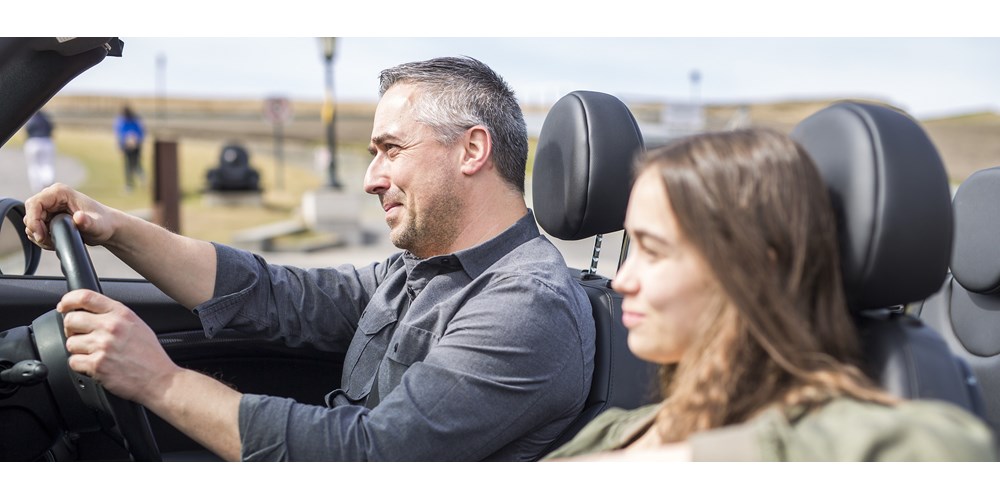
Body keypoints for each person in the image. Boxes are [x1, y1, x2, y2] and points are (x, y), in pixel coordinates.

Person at [24, 56, 595, 461]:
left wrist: (158, 381)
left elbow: (370, 458)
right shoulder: (421, 269)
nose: (372, 179)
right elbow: (276, 295)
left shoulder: (525, 306)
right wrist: (114, 227)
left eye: (390, 150)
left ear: (472, 149)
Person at [544, 129, 995, 461]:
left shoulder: (879, 441)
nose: (622, 280)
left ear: (755, 269)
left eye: (654, 250)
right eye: (632, 247)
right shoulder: (618, 430)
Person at [22, 110, 56, 193]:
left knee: (33, 166)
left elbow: (27, 130)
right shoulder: (45, 117)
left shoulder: (31, 118)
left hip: (33, 142)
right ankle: (48, 183)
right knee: (46, 164)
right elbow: (52, 128)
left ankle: (37, 187)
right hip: (47, 142)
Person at [114, 105, 145, 191]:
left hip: (136, 145)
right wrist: (120, 145)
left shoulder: (136, 119)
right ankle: (129, 184)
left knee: (136, 163)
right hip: (126, 145)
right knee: (127, 165)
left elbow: (141, 131)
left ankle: (141, 176)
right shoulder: (121, 120)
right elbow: (118, 133)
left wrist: (136, 140)